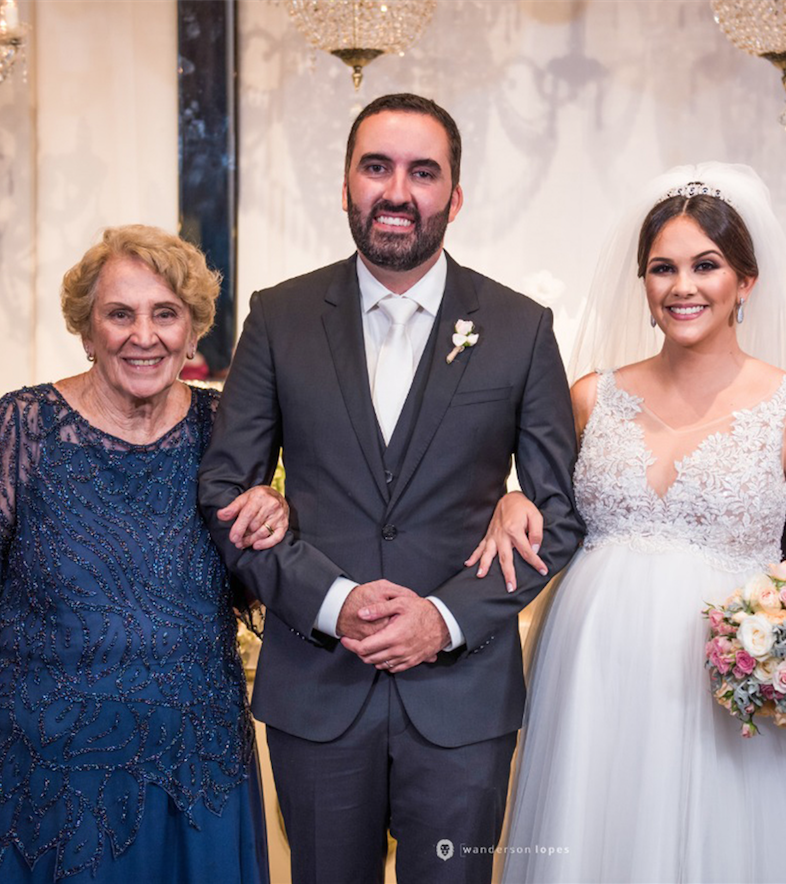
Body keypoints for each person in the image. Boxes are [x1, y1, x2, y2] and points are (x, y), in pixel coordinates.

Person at [196, 93, 583, 884]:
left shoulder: (520, 327)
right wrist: (333, 603)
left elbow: (560, 517)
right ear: (345, 185)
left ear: (455, 195)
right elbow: (224, 491)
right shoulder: (280, 316)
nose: (397, 191)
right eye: (377, 167)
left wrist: (444, 620)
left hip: (462, 698)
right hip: (317, 688)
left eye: (422, 171)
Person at [477, 163, 786, 883]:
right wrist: (510, 500)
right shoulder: (592, 398)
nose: (682, 286)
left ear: (745, 282)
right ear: (644, 284)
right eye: (663, 268)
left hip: (725, 679)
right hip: (596, 665)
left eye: (706, 265)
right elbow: (543, 503)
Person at [0, 225, 288, 884]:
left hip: (194, 769)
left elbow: (253, 586)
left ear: (192, 330)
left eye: (164, 314)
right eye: (119, 314)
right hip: (41, 777)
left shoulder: (228, 430)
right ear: (87, 332)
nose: (142, 336)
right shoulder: (22, 428)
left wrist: (276, 518)